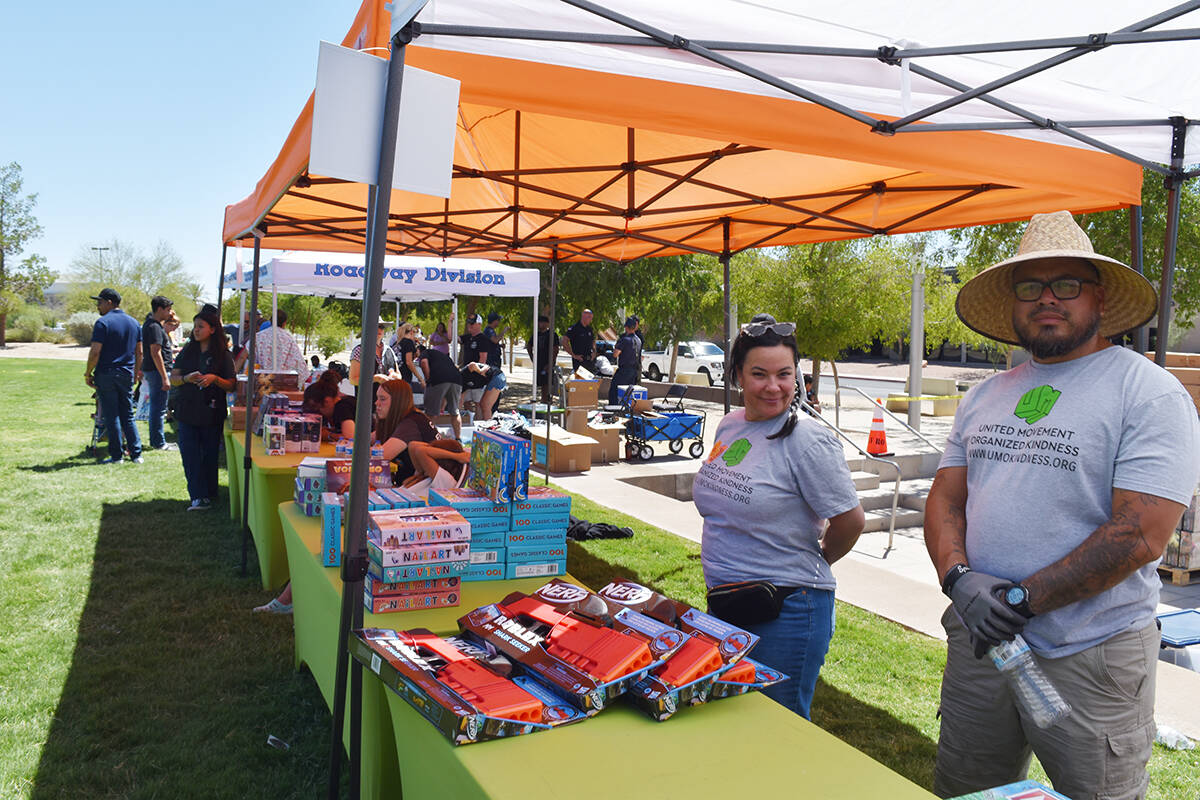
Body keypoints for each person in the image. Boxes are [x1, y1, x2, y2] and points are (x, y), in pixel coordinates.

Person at [923, 210, 1200, 800]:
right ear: (1014, 303)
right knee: (967, 789)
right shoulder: (985, 395)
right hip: (981, 643)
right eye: (1030, 287)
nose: (1047, 299)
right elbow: (947, 494)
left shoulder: (1148, 392)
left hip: (1092, 652)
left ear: (1099, 297)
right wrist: (958, 578)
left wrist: (1019, 601)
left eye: (1066, 285)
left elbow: (1139, 535)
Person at [693, 313, 865, 719]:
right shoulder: (730, 426)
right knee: (735, 720)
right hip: (728, 604)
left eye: (784, 374)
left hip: (786, 611)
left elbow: (851, 521)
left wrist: (815, 560)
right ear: (737, 375)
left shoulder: (808, 440)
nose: (774, 387)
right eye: (759, 374)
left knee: (776, 728)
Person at [170, 309, 236, 511]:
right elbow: (173, 379)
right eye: (195, 326)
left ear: (213, 329)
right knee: (190, 454)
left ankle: (209, 492)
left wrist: (214, 379)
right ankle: (198, 497)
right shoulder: (187, 351)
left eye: (201, 327)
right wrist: (186, 379)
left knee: (209, 455)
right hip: (187, 410)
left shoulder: (223, 355)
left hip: (211, 412)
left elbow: (232, 384)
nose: (196, 330)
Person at [84, 288, 144, 464]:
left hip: (107, 373)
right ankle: (136, 454)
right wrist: (136, 373)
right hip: (126, 373)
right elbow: (139, 352)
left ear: (109, 302)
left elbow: (95, 352)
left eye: (100, 302)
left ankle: (117, 456)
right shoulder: (134, 323)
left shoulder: (103, 323)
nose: (98, 306)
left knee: (112, 415)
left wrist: (88, 373)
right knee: (127, 414)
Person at [374, 380, 469, 486]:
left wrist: (457, 456)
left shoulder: (441, 479)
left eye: (382, 399)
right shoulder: (421, 474)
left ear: (398, 401)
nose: (376, 403)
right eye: (377, 398)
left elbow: (382, 455)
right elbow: (415, 446)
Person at [141, 295, 176, 451]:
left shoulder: (152, 324)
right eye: (167, 310)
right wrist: (164, 377)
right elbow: (156, 352)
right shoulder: (154, 326)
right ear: (159, 309)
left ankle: (157, 440)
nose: (170, 313)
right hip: (157, 372)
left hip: (153, 371)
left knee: (157, 407)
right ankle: (158, 442)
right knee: (158, 408)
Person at [420, 343, 464, 440]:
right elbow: (446, 388)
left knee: (431, 413)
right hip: (457, 379)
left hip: (439, 380)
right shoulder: (442, 357)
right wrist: (442, 407)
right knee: (455, 411)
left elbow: (423, 362)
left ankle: (428, 439)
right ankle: (458, 439)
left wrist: (428, 380)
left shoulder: (425, 352)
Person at [255, 309, 309, 382]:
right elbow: (299, 364)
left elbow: (245, 355)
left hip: (261, 381)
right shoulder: (289, 338)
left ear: (271, 321)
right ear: (284, 323)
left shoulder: (259, 336)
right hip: (282, 382)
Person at [302, 369, 356, 440]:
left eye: (318, 409)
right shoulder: (342, 403)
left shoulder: (342, 407)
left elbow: (350, 437)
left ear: (326, 401)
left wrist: (329, 435)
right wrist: (332, 430)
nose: (320, 413)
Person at [349, 320, 399, 388]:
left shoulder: (389, 350)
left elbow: (399, 375)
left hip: (388, 396)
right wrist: (375, 378)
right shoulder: (360, 350)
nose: (379, 329)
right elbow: (353, 380)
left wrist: (393, 375)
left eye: (381, 327)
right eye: (375, 326)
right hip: (367, 398)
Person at [609, 316, 643, 405]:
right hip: (634, 371)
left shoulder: (624, 340)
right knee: (628, 393)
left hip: (624, 371)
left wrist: (616, 347)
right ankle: (626, 409)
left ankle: (614, 410)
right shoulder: (638, 340)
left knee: (614, 391)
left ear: (626, 327)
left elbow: (615, 354)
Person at [527, 314, 559, 403]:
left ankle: (547, 401)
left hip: (548, 362)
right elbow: (529, 346)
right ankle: (544, 400)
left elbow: (555, 349)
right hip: (539, 362)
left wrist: (551, 363)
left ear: (547, 324)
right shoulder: (535, 334)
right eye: (539, 322)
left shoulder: (552, 334)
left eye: (543, 322)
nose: (541, 324)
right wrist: (532, 358)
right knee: (541, 383)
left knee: (547, 383)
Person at [563, 308, 597, 375]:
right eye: (589, 317)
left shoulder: (590, 329)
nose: (591, 320)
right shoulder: (574, 328)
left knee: (590, 383)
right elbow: (564, 341)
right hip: (579, 360)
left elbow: (593, 342)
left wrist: (594, 352)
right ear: (583, 317)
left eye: (591, 318)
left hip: (590, 361)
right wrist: (573, 355)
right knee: (581, 383)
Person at [393, 322, 422, 388]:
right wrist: (420, 378)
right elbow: (409, 362)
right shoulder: (408, 342)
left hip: (396, 376)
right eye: (414, 335)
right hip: (405, 378)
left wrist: (414, 356)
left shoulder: (397, 343)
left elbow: (402, 358)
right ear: (411, 332)